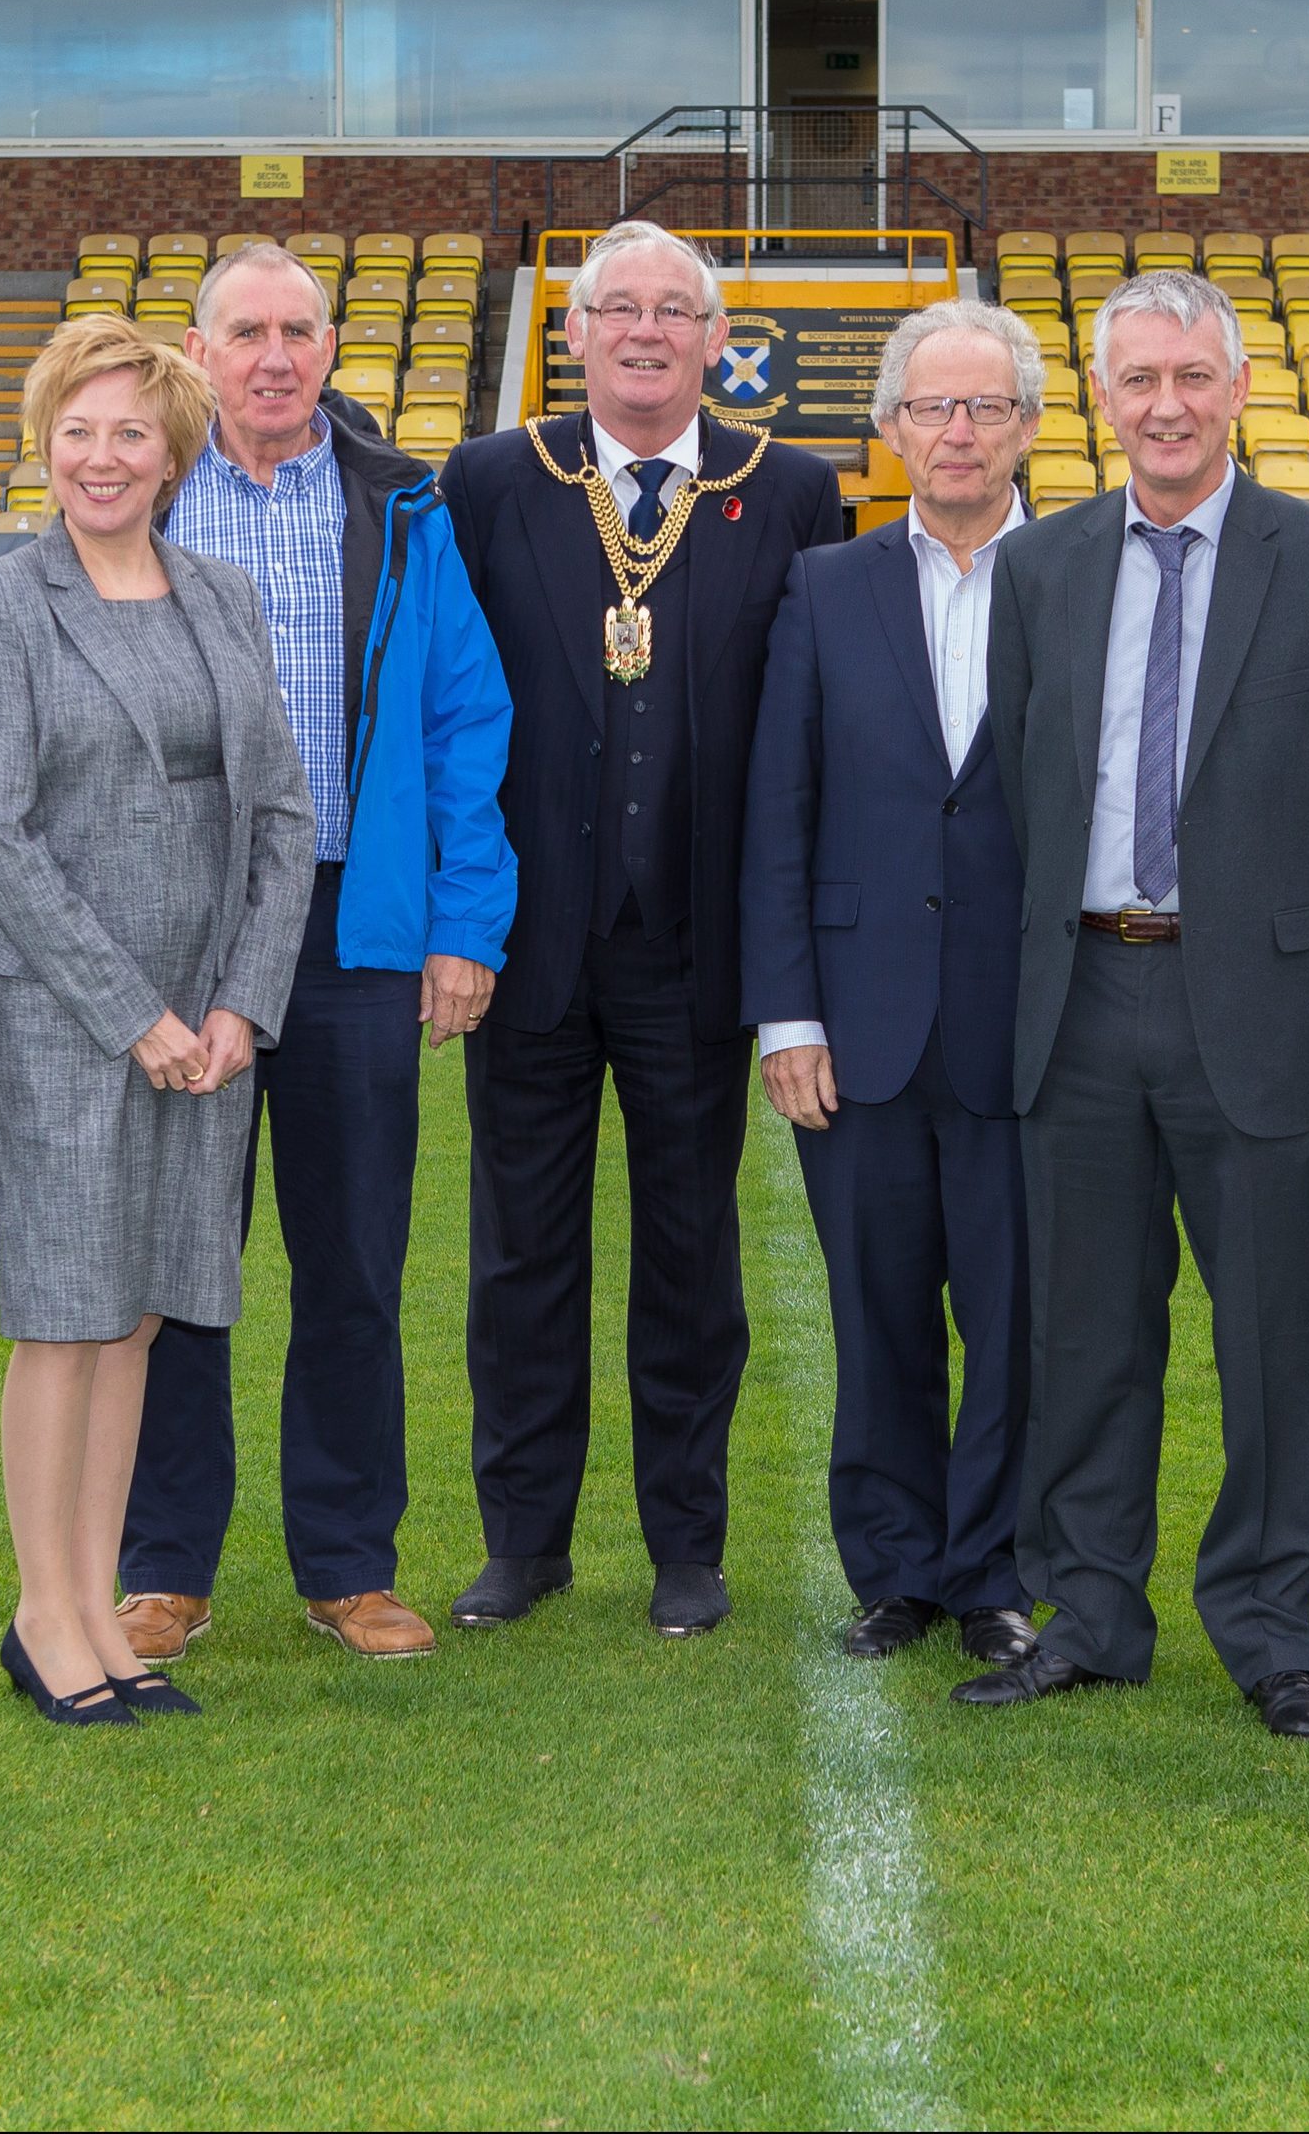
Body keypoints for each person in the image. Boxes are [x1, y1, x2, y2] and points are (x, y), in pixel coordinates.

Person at [964, 269, 1309, 1736]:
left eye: (1191, 377)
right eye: (1137, 380)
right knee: (1088, 1336)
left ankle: (1265, 1625)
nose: (1165, 405)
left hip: (1259, 1015)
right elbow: (1014, 799)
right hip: (1084, 1001)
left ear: (1237, 390)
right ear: (1101, 402)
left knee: (1270, 1342)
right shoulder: (1040, 570)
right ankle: (1094, 1610)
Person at [116, 240, 516, 1667]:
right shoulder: (143, 499)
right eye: (246, 331)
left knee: (352, 1260)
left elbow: (469, 726)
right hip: (185, 932)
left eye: (298, 330)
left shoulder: (404, 508)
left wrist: (465, 925)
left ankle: (348, 1561)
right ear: (201, 349)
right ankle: (163, 1562)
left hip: (354, 932)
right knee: (182, 1262)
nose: (273, 356)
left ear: (334, 348)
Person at [438, 220, 838, 1639]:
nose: (649, 332)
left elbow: (812, 719)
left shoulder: (790, 488)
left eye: (678, 311)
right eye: (622, 309)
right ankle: (523, 1540)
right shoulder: (492, 479)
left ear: (719, 339)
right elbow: (448, 703)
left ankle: (687, 1546)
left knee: (689, 1254)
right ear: (578, 331)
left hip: (697, 946)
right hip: (532, 940)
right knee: (521, 1255)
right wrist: (456, 915)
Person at [0, 314, 315, 1726]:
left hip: (208, 1024)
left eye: (129, 435)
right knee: (66, 1313)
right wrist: (133, 1013)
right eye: (76, 431)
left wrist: (235, 1006)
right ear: (45, 445)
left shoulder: (219, 593)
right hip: (69, 1017)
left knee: (145, 1315)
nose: (101, 458)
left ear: (174, 454)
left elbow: (279, 813)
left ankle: (101, 1606)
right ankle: (45, 1618)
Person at [743, 297, 1041, 1667]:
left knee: (1016, 1313)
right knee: (876, 1313)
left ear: (1033, 426)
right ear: (891, 431)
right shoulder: (826, 585)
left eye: (986, 407)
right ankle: (896, 1568)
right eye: (934, 407)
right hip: (858, 1021)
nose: (960, 431)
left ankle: (996, 1569)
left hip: (1031, 1026)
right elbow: (777, 811)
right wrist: (788, 1013)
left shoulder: (1085, 579)